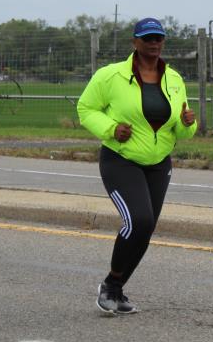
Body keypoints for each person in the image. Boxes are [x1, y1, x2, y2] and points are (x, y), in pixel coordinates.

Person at [77, 17, 197, 314]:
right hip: (121, 160)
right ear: (135, 42)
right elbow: (86, 108)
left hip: (158, 163)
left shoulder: (174, 79)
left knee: (146, 228)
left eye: (158, 38)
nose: (154, 43)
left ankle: (116, 287)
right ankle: (110, 285)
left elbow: (180, 131)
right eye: (147, 38)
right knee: (138, 221)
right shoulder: (111, 75)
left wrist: (187, 124)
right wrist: (110, 129)